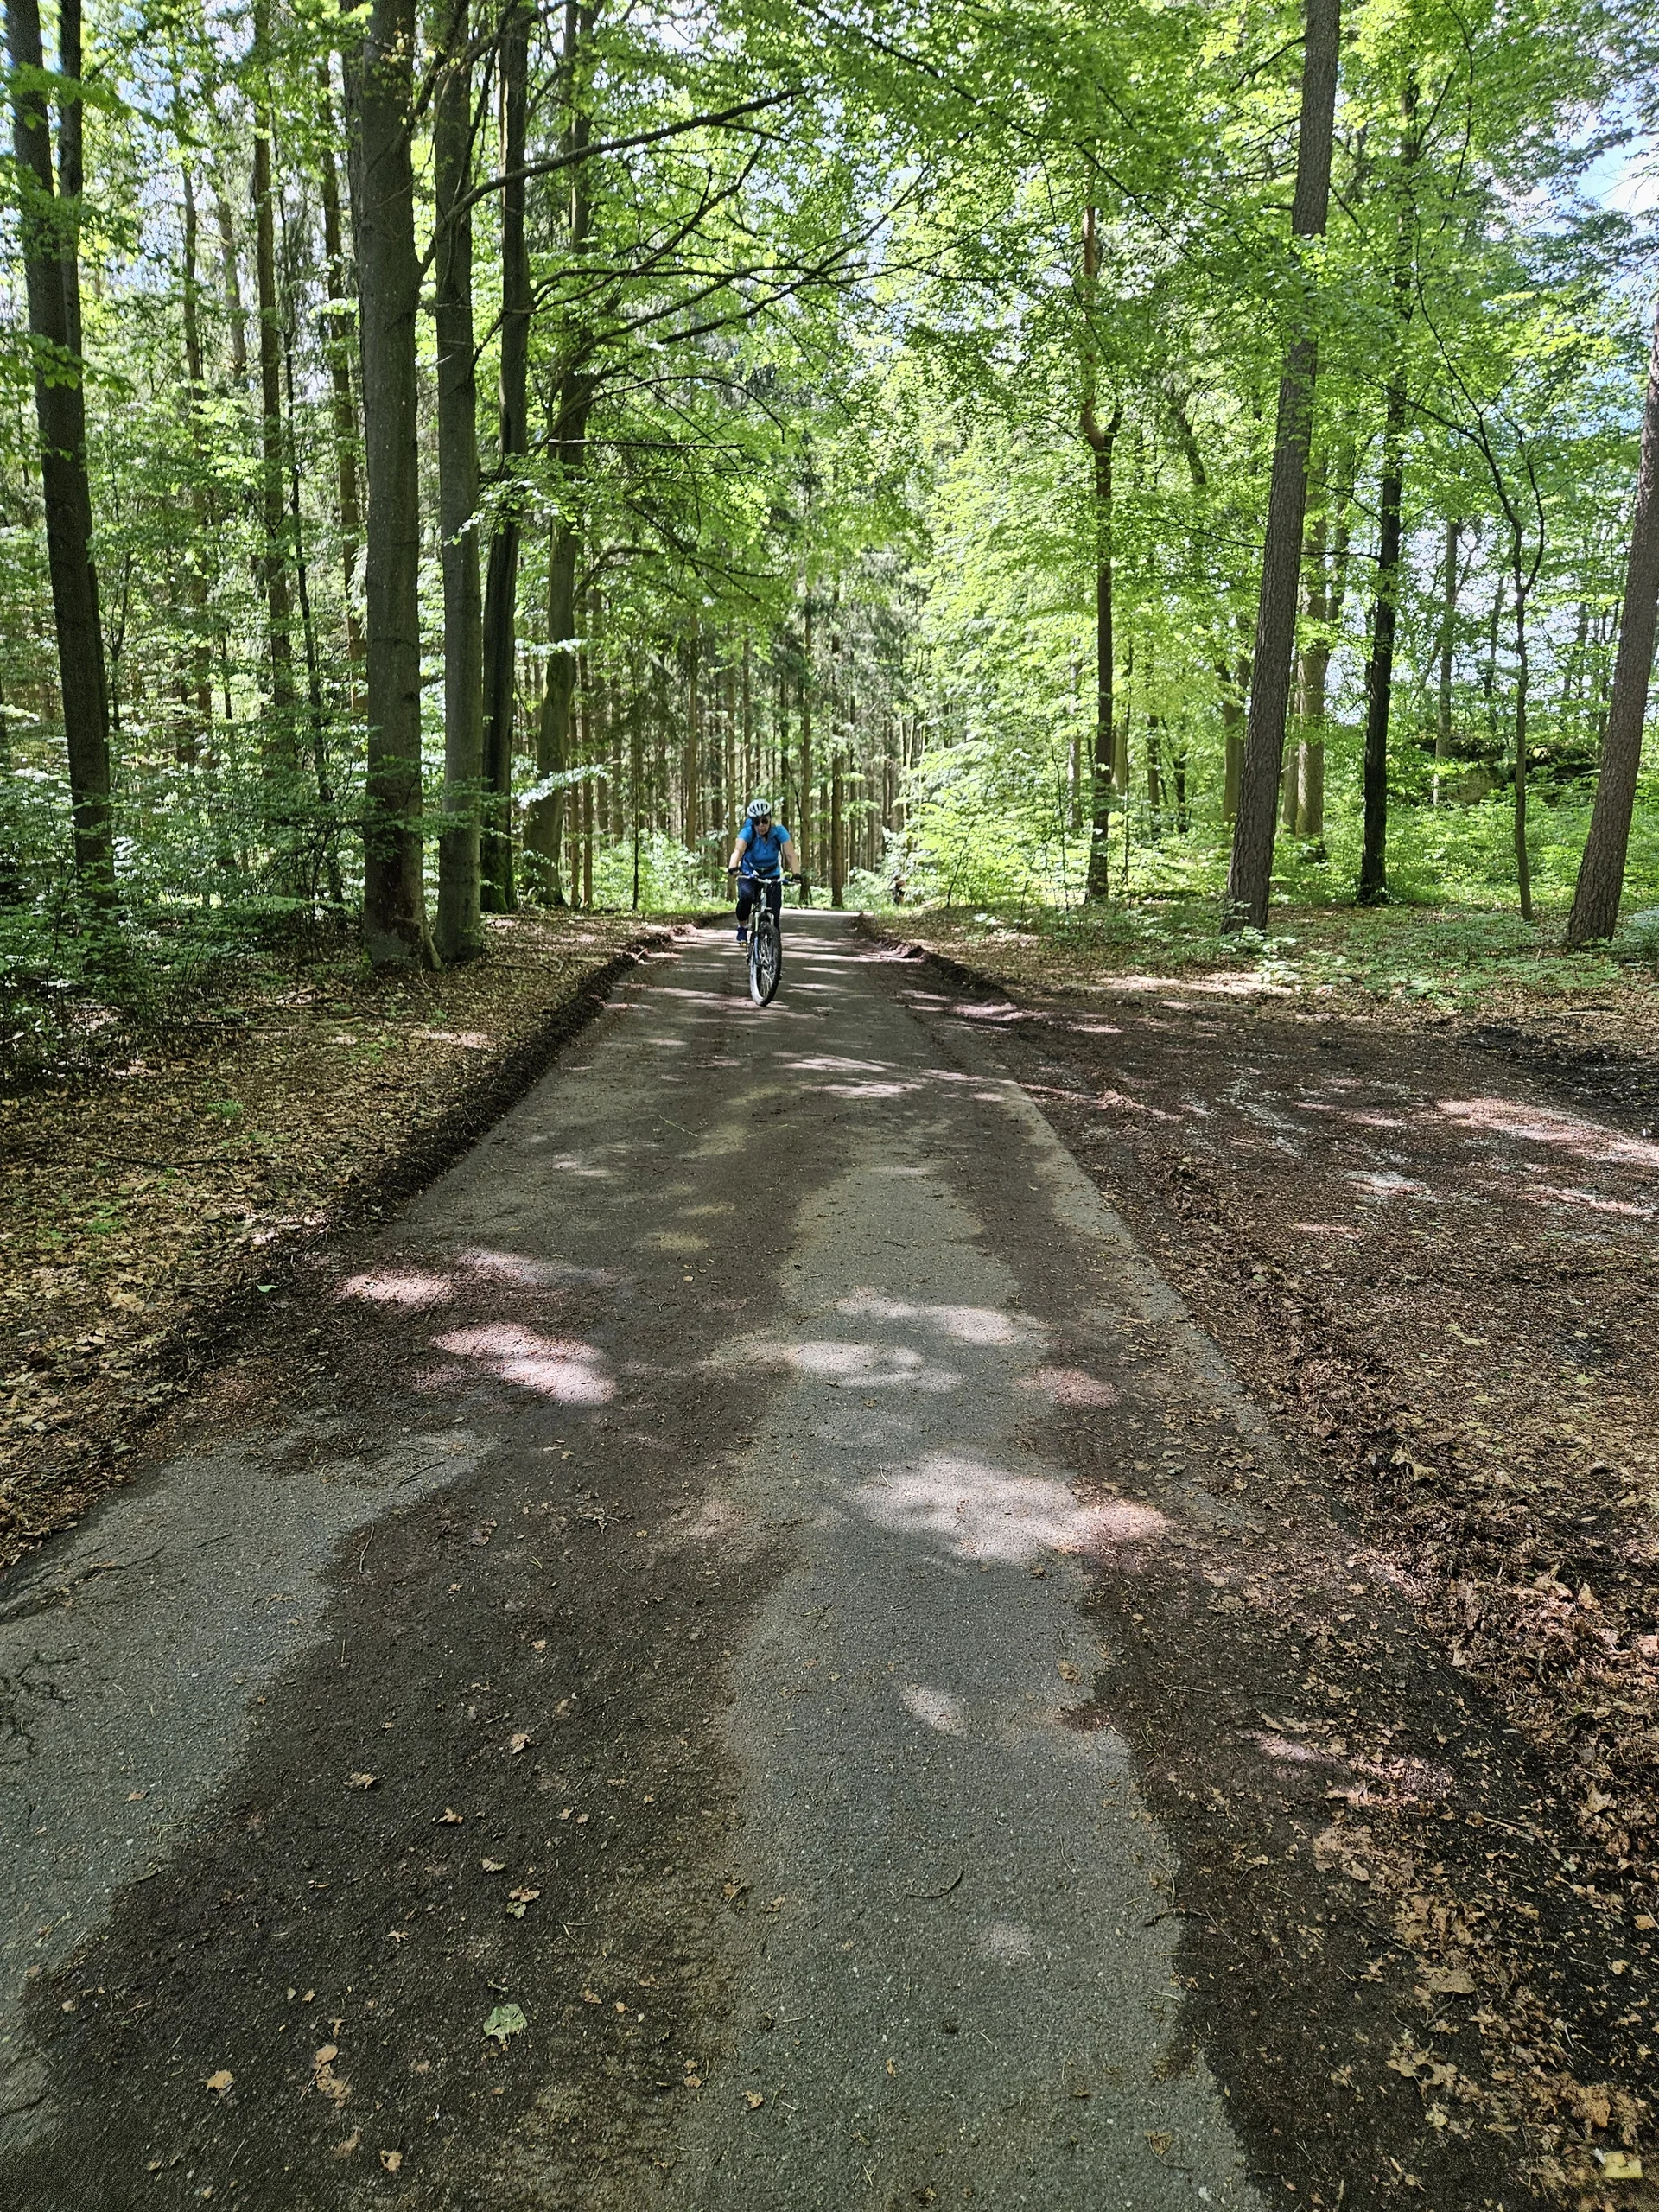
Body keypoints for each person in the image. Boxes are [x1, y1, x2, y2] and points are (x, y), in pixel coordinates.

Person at [727, 798, 795, 944]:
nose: (761, 825)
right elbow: (738, 851)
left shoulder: (779, 831)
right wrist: (733, 867)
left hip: (772, 873)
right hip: (749, 872)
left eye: (764, 821)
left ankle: (773, 947)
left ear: (770, 818)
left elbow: (790, 854)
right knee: (746, 899)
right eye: (757, 822)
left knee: (774, 912)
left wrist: (797, 873)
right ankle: (742, 927)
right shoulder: (747, 832)